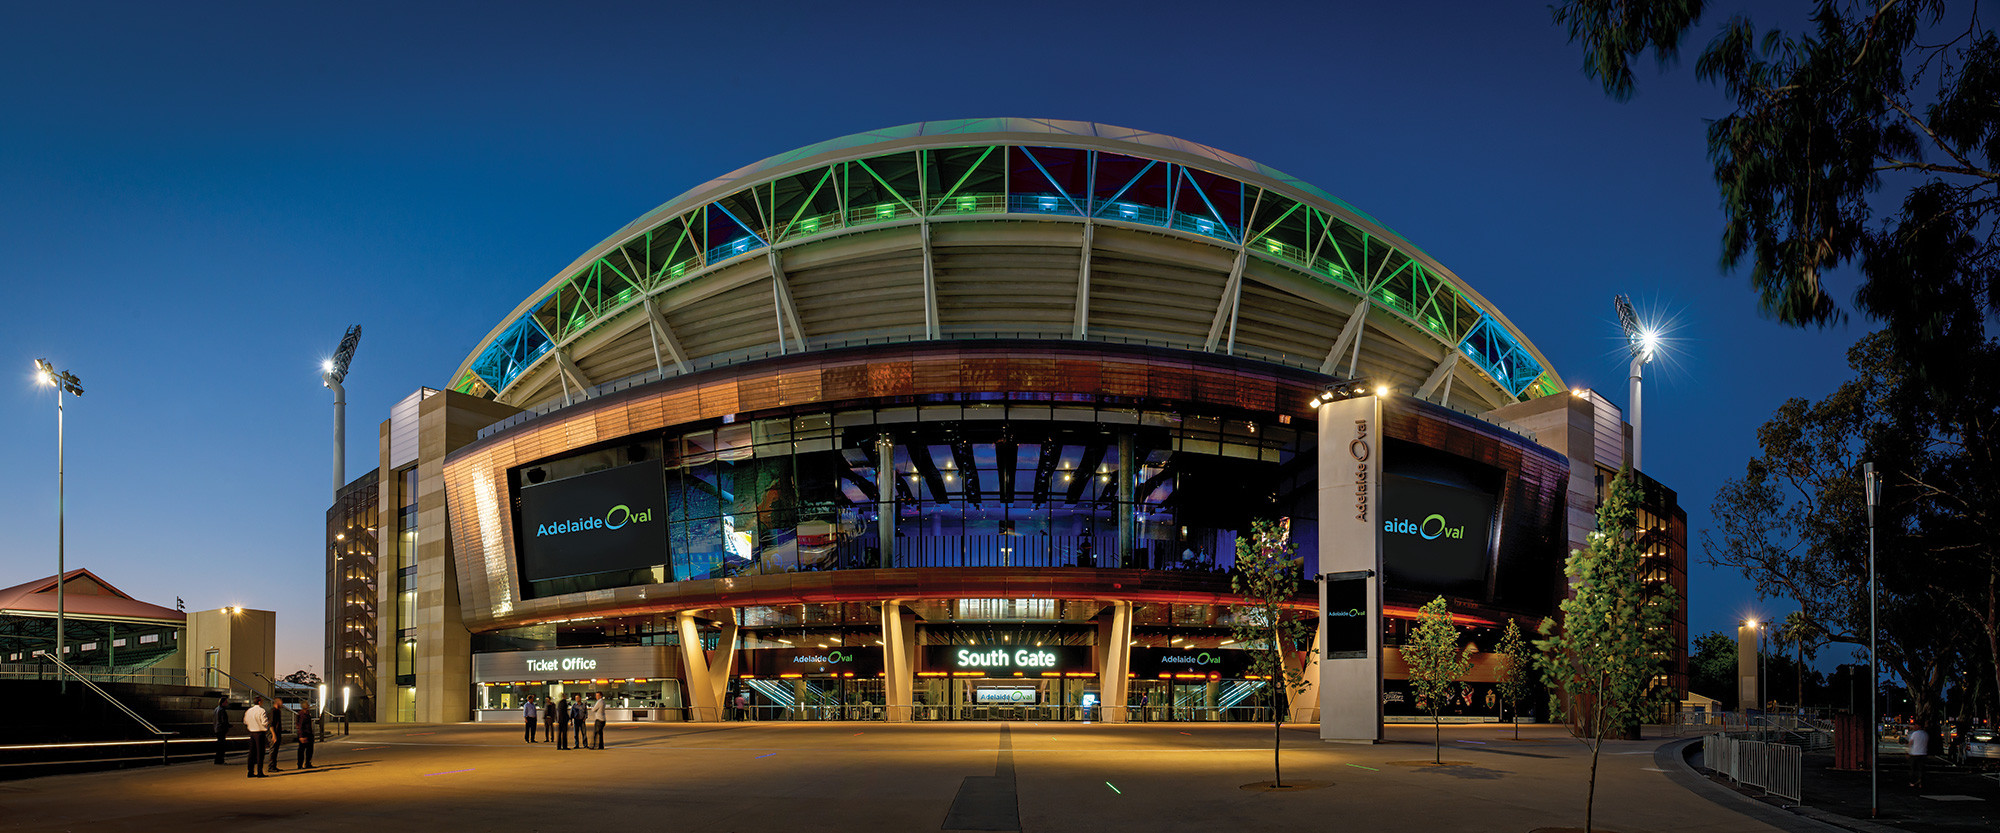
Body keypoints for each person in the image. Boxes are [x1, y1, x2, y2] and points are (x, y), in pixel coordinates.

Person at [243, 696, 270, 778]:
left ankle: (250, 771)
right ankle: (259, 771)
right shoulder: (261, 710)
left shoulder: (249, 711)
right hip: (260, 733)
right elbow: (264, 722)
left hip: (252, 732)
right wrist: (267, 725)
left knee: (252, 753)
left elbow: (245, 721)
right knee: (260, 753)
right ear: (259, 702)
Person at [1908, 720, 1932, 788]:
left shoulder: (1915, 734)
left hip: (1915, 753)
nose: (1914, 727)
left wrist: (1908, 751)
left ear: (1918, 726)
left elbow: (1910, 743)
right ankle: (1921, 782)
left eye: (1915, 725)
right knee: (1921, 769)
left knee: (1913, 769)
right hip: (1923, 753)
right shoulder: (1925, 734)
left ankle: (1912, 782)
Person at [294, 701, 316, 769]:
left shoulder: (307, 714)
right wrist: (301, 736)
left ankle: (307, 763)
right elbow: (300, 726)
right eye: (307, 705)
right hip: (305, 734)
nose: (309, 706)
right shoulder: (302, 714)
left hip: (308, 734)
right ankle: (300, 764)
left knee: (309, 750)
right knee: (302, 750)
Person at [267, 697, 286, 772]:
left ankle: (273, 766)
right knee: (273, 750)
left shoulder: (278, 711)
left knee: (275, 750)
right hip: (273, 733)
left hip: (277, 732)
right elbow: (271, 724)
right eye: (281, 702)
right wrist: (273, 735)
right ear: (277, 703)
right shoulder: (273, 711)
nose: (282, 704)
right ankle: (271, 766)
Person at [212, 697, 230, 765]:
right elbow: (223, 720)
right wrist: (228, 726)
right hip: (221, 729)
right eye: (226, 702)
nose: (227, 703)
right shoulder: (222, 710)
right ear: (223, 703)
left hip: (217, 728)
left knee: (219, 745)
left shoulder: (216, 709)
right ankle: (220, 760)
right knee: (222, 745)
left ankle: (217, 759)